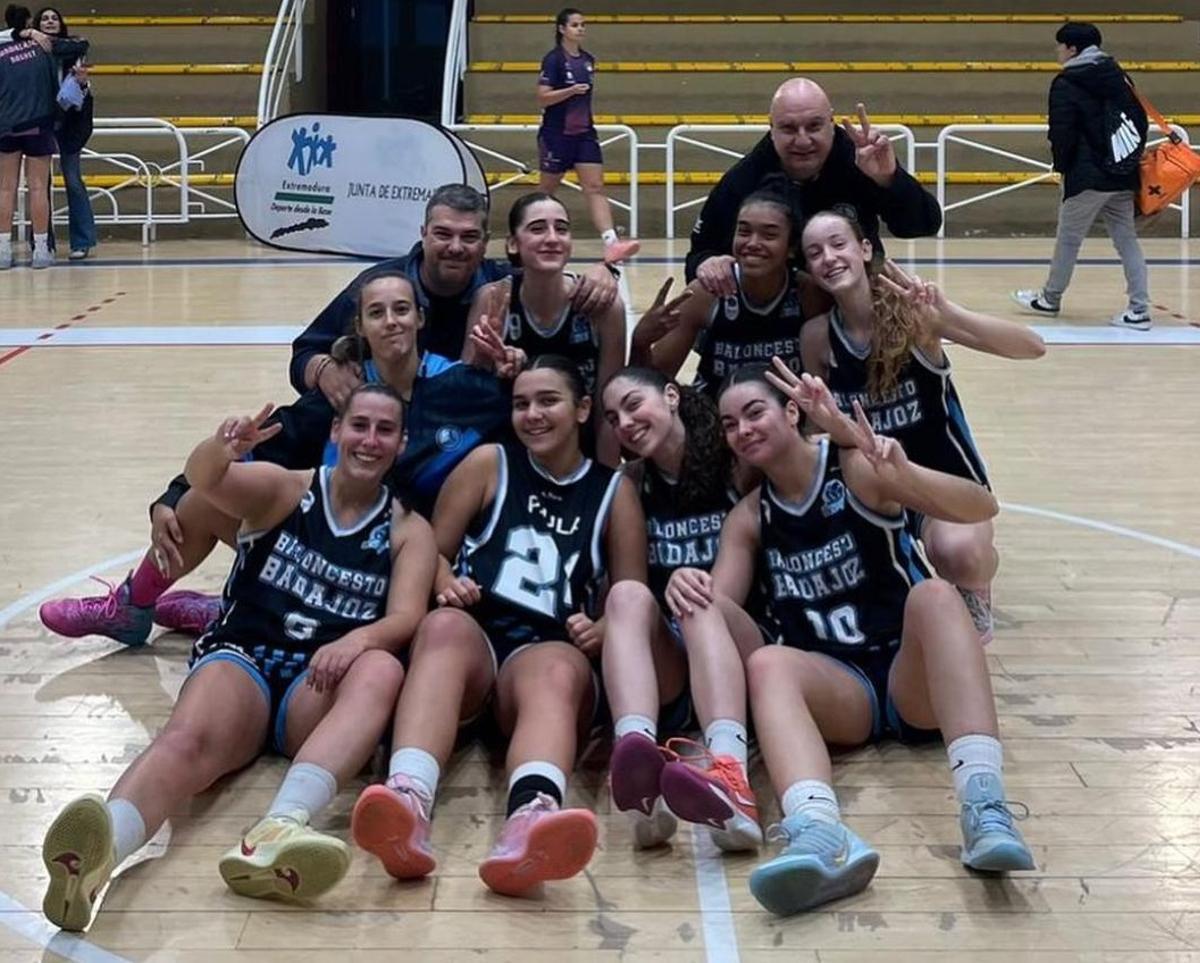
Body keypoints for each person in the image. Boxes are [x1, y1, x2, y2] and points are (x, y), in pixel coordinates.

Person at [40, 386, 437, 931]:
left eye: (384, 430)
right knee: (184, 743)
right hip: (246, 659)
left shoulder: (407, 529)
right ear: (335, 432)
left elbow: (406, 617)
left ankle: (279, 829)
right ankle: (100, 849)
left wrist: (355, 641)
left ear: (402, 442)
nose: (370, 440)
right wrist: (223, 446)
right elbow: (203, 482)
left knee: (383, 665)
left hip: (315, 687)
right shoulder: (285, 489)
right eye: (359, 426)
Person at [668, 362, 1033, 916]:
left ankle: (984, 805)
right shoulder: (749, 517)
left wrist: (905, 475)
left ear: (794, 411)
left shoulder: (855, 469)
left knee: (935, 596)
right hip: (842, 691)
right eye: (729, 424)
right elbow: (718, 609)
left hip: (914, 677)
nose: (742, 430)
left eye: (754, 412)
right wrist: (683, 584)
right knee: (764, 659)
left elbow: (981, 507)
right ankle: (819, 829)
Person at [39, 268, 513, 644]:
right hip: (326, 562)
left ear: (420, 319)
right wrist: (171, 494)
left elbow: (535, 426)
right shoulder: (335, 399)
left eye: (402, 309)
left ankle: (236, 606)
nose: (391, 321)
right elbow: (249, 451)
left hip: (410, 571)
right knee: (200, 503)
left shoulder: (463, 388)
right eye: (377, 312)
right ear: (361, 327)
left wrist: (520, 368)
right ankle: (132, 607)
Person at [349, 356, 645, 896]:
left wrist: (602, 629)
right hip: (476, 642)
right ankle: (407, 801)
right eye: (521, 403)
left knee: (557, 671)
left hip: (548, 647)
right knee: (440, 628)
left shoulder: (614, 491)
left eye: (547, 401)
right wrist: (443, 579)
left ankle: (531, 817)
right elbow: (428, 550)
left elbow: (631, 600)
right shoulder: (489, 462)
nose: (532, 414)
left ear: (582, 409)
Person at [799, 208, 1045, 643]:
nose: (829, 257)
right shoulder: (817, 337)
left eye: (838, 244)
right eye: (815, 252)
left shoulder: (913, 314)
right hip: (874, 490)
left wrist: (949, 314)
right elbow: (817, 434)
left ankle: (974, 586)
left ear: (865, 249)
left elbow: (1032, 348)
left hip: (942, 480)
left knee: (961, 554)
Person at [599, 365, 764, 850]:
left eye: (633, 405)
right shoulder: (630, 482)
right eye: (613, 418)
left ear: (671, 395)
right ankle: (638, 764)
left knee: (695, 593)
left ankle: (732, 777)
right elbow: (626, 582)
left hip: (745, 647)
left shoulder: (737, 463)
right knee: (625, 596)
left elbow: (726, 595)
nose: (624, 423)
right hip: (677, 661)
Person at [289, 182, 618, 406]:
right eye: (443, 234)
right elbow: (304, 351)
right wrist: (323, 370)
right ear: (423, 234)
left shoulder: (500, 286)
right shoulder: (379, 286)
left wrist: (604, 273)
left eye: (469, 237)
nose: (456, 248)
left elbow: (547, 273)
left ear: (486, 241)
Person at [685, 77, 941, 295]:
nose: (803, 140)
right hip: (779, 310)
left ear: (831, 123)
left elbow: (923, 224)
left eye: (814, 126)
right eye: (788, 128)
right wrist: (709, 264)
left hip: (857, 297)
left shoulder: (862, 159)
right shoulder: (744, 180)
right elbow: (698, 257)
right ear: (771, 128)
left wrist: (889, 179)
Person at [1011, 21, 1151, 330]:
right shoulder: (1119, 76)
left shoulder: (1067, 81)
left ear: (1072, 48)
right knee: (1127, 239)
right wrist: (1124, 161)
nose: (1057, 51)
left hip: (1087, 176)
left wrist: (1062, 165)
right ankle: (1139, 309)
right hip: (1123, 173)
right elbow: (1140, 121)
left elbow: (1062, 131)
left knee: (1068, 240)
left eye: (1059, 46)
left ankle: (1050, 298)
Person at [470, 191, 626, 465]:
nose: (552, 238)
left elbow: (607, 407)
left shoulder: (604, 306)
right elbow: (465, 390)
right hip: (508, 454)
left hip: (581, 455)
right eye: (537, 228)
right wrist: (491, 365)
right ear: (513, 244)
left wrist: (606, 481)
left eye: (562, 229)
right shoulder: (493, 299)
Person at [631, 188, 810, 399]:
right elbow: (651, 386)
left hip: (785, 422)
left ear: (792, 247)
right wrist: (639, 342)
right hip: (717, 420)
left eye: (769, 235)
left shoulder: (808, 293)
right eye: (743, 232)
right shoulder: (705, 293)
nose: (752, 243)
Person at [536, 7, 638, 264]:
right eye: (575, 25)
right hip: (557, 134)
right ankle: (530, 232)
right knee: (547, 190)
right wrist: (569, 91)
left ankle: (611, 242)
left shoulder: (588, 60)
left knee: (595, 187)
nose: (581, 29)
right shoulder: (554, 60)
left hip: (584, 135)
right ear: (562, 29)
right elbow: (542, 97)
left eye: (583, 24)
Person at [0, 2, 86, 269]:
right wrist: (35, 36)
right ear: (29, 22)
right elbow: (80, 45)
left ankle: (3, 251)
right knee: (38, 188)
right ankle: (40, 250)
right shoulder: (45, 46)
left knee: (5, 189)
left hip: (5, 124)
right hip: (38, 123)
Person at [36, 6, 96, 259]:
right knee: (40, 185)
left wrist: (82, 83)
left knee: (73, 180)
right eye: (44, 19)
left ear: (61, 23)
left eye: (54, 18)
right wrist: (28, 35)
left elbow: (81, 46)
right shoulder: (28, 51)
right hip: (40, 120)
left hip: (70, 122)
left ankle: (81, 242)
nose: (49, 22)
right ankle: (42, 242)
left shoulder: (75, 46)